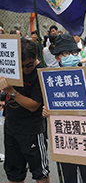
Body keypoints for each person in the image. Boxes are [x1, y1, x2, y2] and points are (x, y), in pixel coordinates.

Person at [42, 33, 86, 183]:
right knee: (69, 177)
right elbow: (51, 106)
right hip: (65, 137)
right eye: (65, 53)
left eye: (73, 52)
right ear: (57, 58)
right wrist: (46, 111)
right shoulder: (52, 80)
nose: (71, 56)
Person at [1, 38, 50, 183]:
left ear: (36, 57)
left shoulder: (40, 73)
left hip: (32, 129)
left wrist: (12, 91)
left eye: (28, 65)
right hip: (11, 126)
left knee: (40, 172)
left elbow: (33, 105)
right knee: (14, 172)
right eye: (19, 66)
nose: (24, 70)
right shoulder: (10, 68)